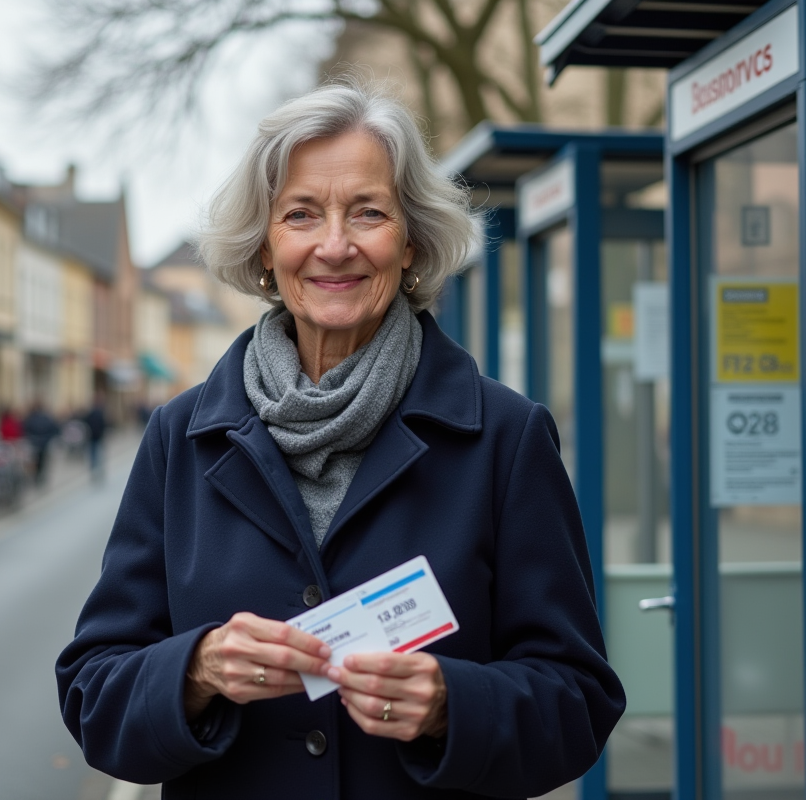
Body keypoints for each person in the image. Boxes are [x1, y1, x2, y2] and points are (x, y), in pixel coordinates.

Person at [56, 82, 624, 799]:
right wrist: (197, 670)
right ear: (266, 247)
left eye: (368, 212)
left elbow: (578, 702)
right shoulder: (181, 437)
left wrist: (453, 704)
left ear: (411, 239)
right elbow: (92, 694)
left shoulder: (505, 438)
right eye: (301, 214)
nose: (335, 244)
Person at [20, 401, 59, 487]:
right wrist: (48, 438)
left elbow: (25, 430)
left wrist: (31, 438)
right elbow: (54, 429)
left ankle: (37, 476)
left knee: (35, 461)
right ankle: (40, 476)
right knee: (43, 461)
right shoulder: (47, 418)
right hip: (44, 443)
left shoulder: (31, 418)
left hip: (34, 443)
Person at [83, 394, 108, 481]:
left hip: (93, 436)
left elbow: (86, 423)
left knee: (93, 454)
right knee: (98, 454)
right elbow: (103, 424)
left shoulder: (91, 413)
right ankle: (98, 471)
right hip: (98, 436)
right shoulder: (100, 413)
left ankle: (94, 471)